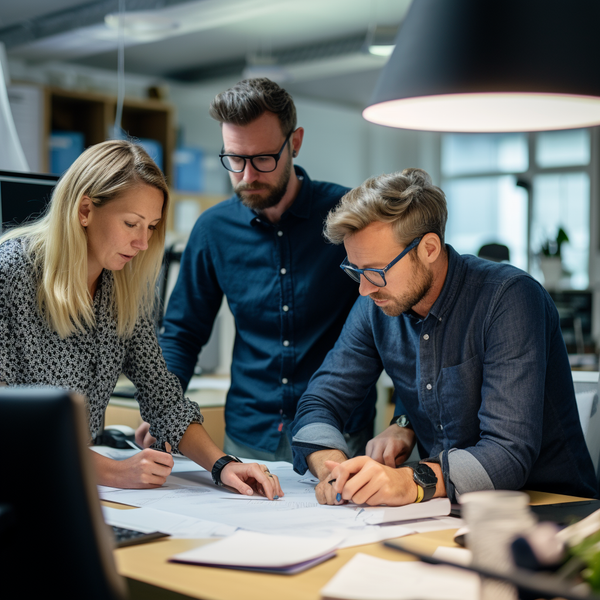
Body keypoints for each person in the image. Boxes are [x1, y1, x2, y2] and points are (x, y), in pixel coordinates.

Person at [291, 168, 598, 506]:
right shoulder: (376, 304)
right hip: (445, 508)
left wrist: (407, 481)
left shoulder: (509, 298)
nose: (364, 289)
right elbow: (318, 403)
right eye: (355, 270)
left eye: (376, 271)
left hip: (551, 507)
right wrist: (333, 470)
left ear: (429, 248)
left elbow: (506, 454)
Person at [0, 139, 282, 498]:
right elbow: (7, 422)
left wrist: (222, 464)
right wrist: (115, 472)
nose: (143, 243)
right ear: (84, 209)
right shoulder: (11, 272)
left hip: (72, 486)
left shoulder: (122, 288)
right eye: (132, 223)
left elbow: (162, 397)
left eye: (151, 227)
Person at [155, 78, 376, 462]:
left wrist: (403, 421)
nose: (247, 176)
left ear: (295, 142)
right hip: (248, 432)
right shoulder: (212, 230)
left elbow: (398, 322)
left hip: (337, 430)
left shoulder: (349, 216)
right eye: (235, 159)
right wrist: (164, 412)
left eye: (262, 160)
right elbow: (182, 333)